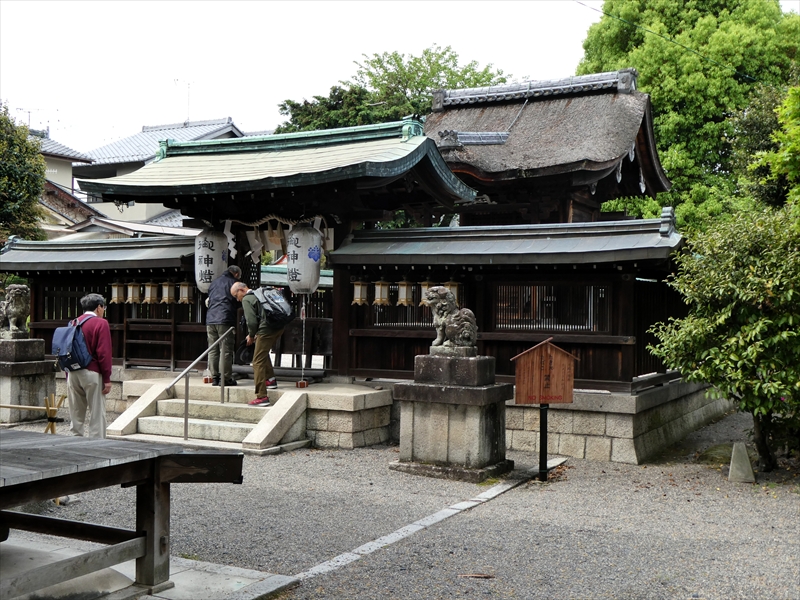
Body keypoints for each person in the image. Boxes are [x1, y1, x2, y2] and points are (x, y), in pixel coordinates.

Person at [230, 281, 284, 406]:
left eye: (235, 295)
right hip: (278, 327)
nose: (237, 299)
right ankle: (270, 380)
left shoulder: (247, 299)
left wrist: (252, 335)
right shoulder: (259, 294)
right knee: (262, 352)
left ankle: (262, 397)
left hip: (266, 329)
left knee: (257, 361)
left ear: (241, 290)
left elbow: (252, 321)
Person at [67, 293, 113, 438]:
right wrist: (107, 378)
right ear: (99, 307)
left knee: (75, 411)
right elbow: (103, 353)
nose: (103, 310)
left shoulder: (73, 322)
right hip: (92, 372)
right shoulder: (101, 323)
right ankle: (96, 444)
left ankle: (75, 440)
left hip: (73, 372)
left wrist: (68, 372)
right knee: (97, 412)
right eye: (103, 307)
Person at [206, 265, 242, 386]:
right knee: (226, 350)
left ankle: (215, 377)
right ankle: (225, 378)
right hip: (225, 319)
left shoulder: (214, 283)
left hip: (210, 319)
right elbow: (237, 301)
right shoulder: (234, 283)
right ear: (236, 274)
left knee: (213, 349)